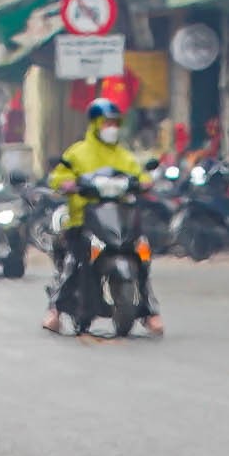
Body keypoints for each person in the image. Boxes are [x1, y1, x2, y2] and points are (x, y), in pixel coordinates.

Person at [42, 98, 163, 337]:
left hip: (120, 219)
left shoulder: (125, 155)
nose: (112, 127)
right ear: (95, 124)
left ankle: (150, 312)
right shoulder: (77, 153)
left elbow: (140, 174)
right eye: (107, 122)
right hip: (84, 219)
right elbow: (58, 176)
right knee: (74, 261)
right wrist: (66, 183)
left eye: (115, 122)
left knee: (142, 256)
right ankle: (55, 310)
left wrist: (145, 181)